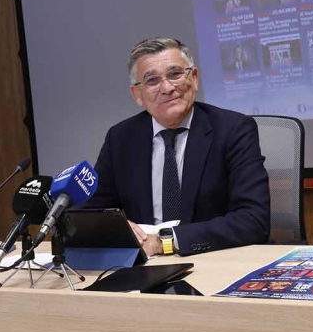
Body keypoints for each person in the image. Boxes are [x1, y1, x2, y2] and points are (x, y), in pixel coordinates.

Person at [89, 37, 270, 255]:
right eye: (152, 80)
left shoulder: (233, 130)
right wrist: (116, 228)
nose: (167, 88)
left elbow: (253, 219)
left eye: (175, 74)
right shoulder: (120, 138)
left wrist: (165, 242)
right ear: (137, 95)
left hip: (213, 258)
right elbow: (91, 212)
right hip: (145, 265)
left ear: (194, 78)